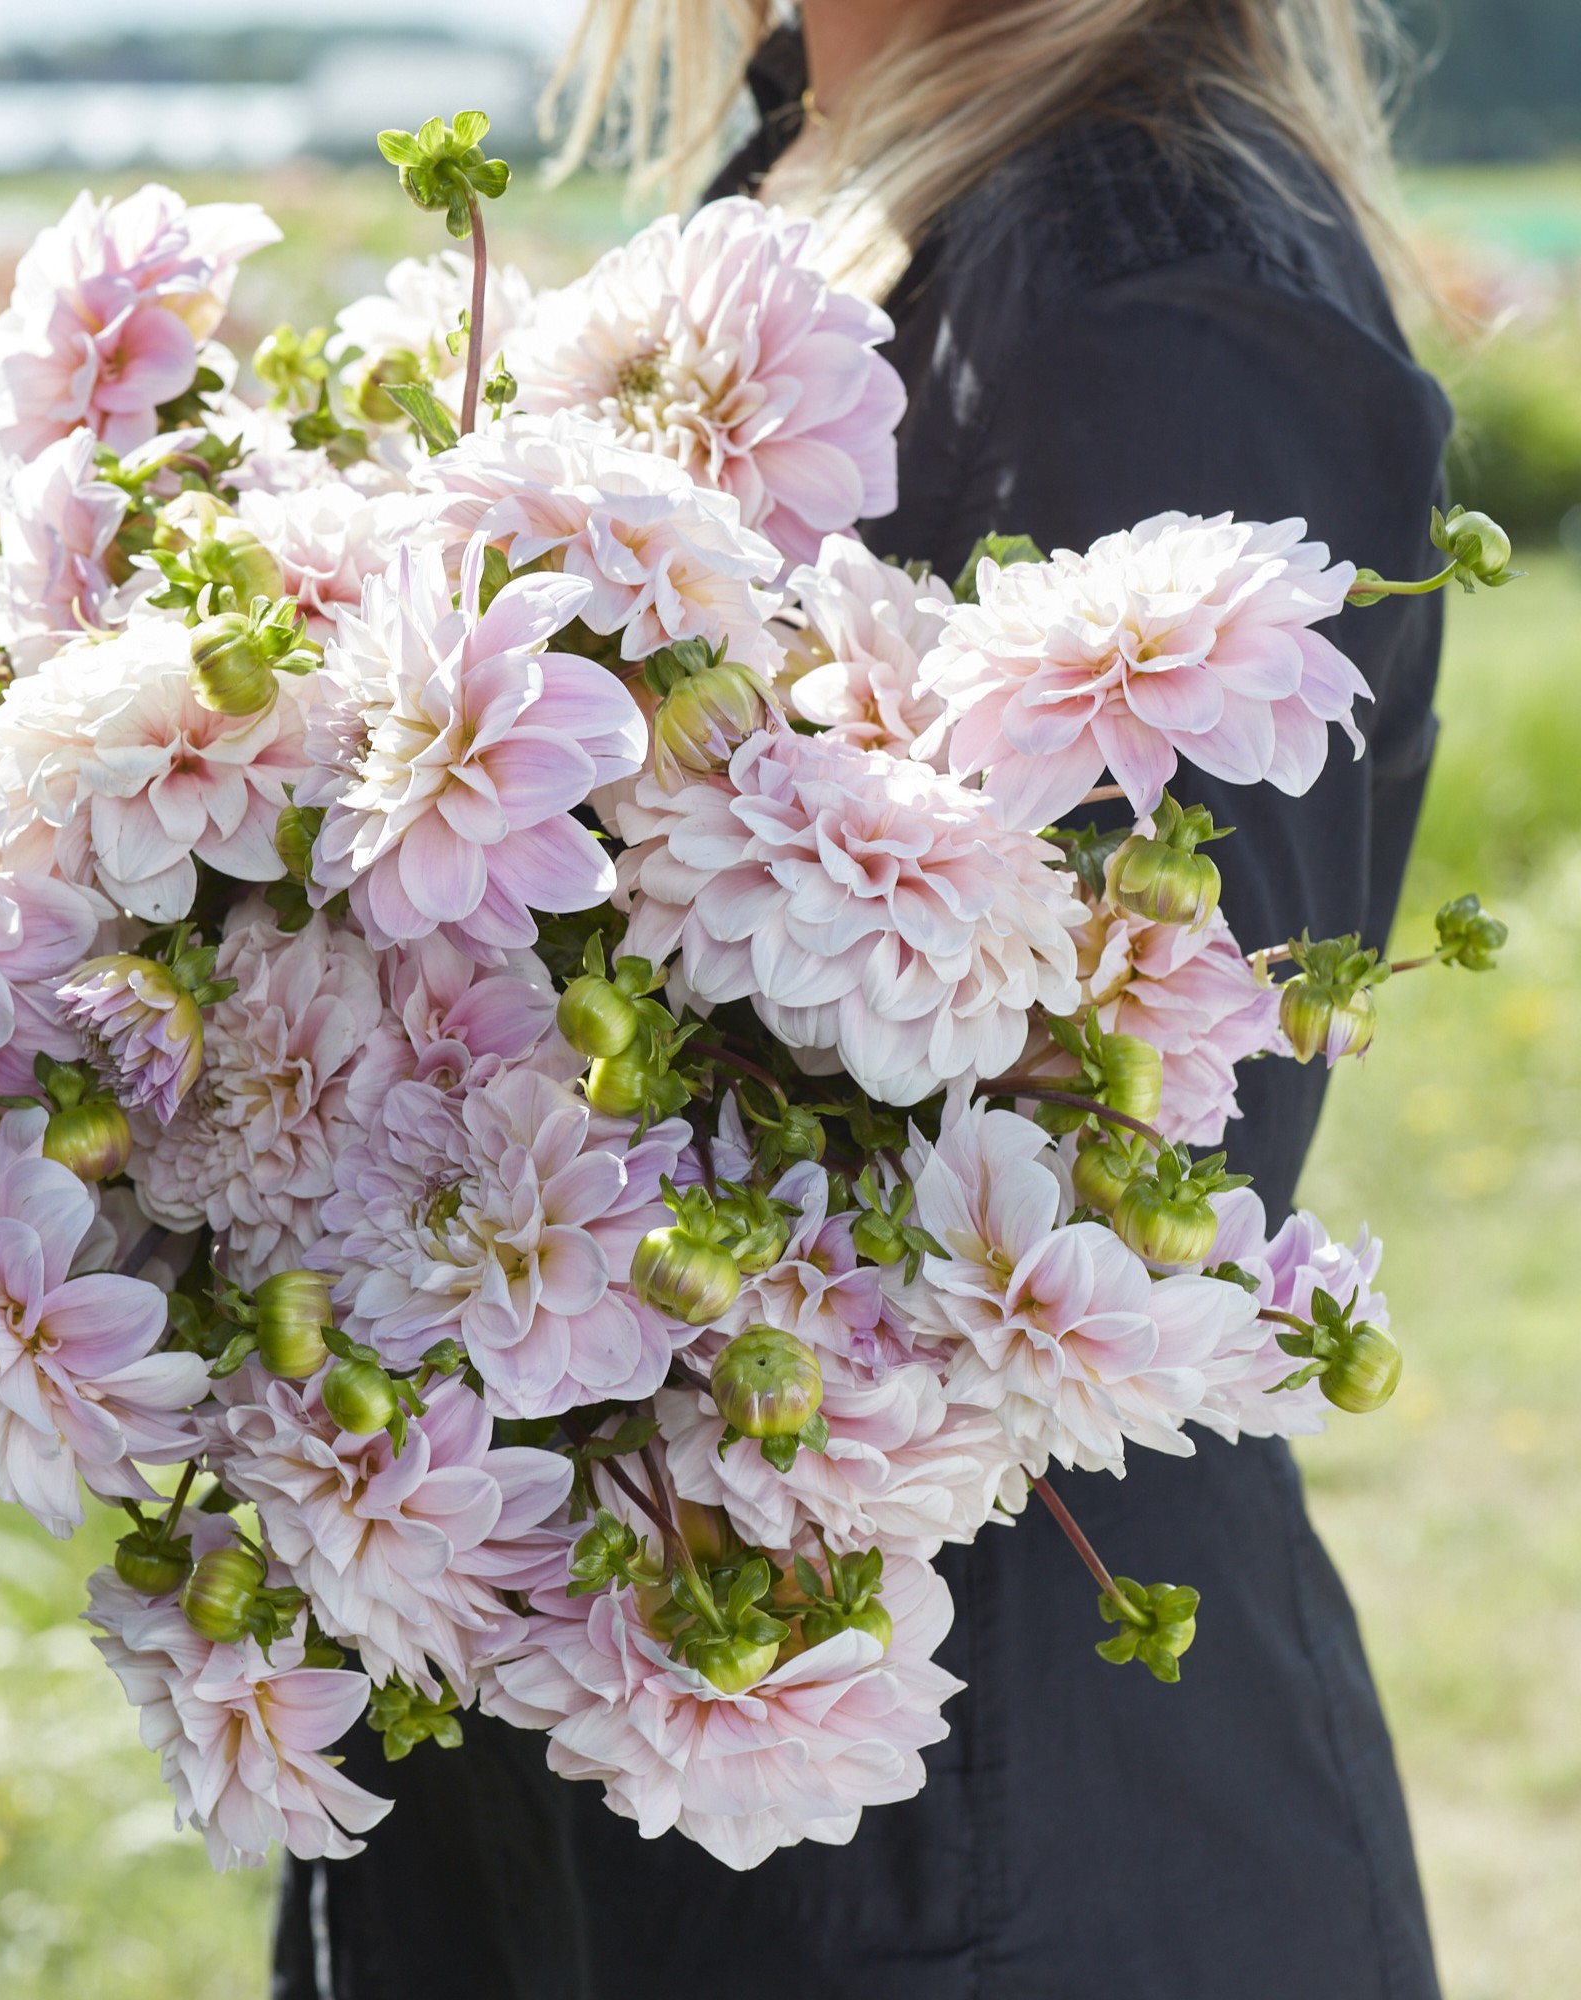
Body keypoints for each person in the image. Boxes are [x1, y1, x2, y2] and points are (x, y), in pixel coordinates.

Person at [272, 3, 1451, 1993]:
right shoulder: (834, 160)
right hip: (649, 1774)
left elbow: (1124, 1154)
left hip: (965, 1842)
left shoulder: (1138, 282)